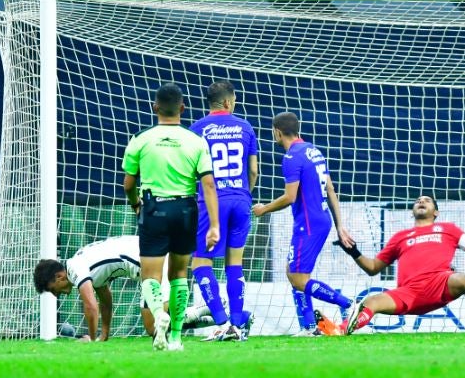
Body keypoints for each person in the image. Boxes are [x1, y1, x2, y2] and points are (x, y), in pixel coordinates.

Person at [335, 195, 465, 334]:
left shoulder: (448, 230)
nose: (421, 201)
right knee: (371, 301)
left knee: (464, 279)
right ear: (412, 211)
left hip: (439, 284)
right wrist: (354, 252)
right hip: (408, 293)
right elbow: (373, 268)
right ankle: (341, 330)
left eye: (427, 201)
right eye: (418, 201)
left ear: (436, 212)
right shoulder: (400, 237)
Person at [122, 83, 220, 351]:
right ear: (182, 108)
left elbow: (129, 184)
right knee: (179, 274)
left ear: (155, 108)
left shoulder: (140, 139)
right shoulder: (196, 141)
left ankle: (158, 313)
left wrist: (136, 205)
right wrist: (213, 224)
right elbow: (208, 184)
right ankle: (176, 337)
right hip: (186, 210)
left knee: (150, 278)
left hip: (154, 208)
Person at [252, 112, 354, 336]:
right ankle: (308, 326)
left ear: (277, 132)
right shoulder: (314, 151)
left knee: (298, 278)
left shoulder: (292, 157)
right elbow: (330, 189)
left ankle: (348, 304)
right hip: (322, 219)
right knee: (293, 272)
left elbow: (290, 197)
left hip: (308, 223)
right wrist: (340, 224)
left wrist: (264, 209)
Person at [33, 235, 246, 341]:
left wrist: (91, 339)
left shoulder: (75, 268)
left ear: (58, 276)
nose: (56, 293)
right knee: (154, 328)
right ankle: (223, 317)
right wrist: (103, 335)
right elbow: (105, 301)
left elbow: (91, 306)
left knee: (157, 326)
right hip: (149, 257)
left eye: (53, 289)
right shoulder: (85, 266)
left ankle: (211, 312)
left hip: (149, 262)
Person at [189, 80, 259, 342]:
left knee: (201, 262)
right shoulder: (245, 126)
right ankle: (237, 323)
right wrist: (244, 193)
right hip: (241, 199)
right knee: (235, 263)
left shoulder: (196, 129)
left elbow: (191, 170)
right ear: (229, 102)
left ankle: (221, 321)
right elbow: (253, 170)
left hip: (211, 200)